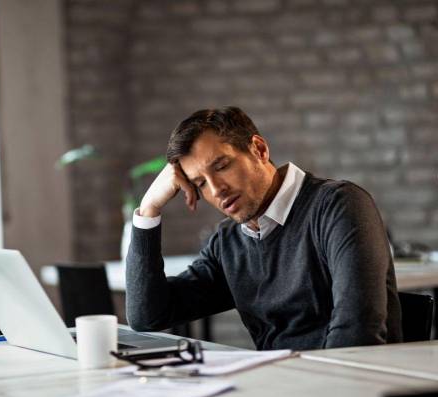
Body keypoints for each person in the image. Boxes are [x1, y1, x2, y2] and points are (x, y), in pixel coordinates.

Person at [126, 106, 402, 350]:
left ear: (259, 149)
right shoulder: (228, 242)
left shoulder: (339, 205)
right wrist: (149, 209)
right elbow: (148, 315)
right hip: (277, 390)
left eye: (222, 166)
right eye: (199, 184)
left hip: (350, 391)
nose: (215, 189)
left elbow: (356, 334)